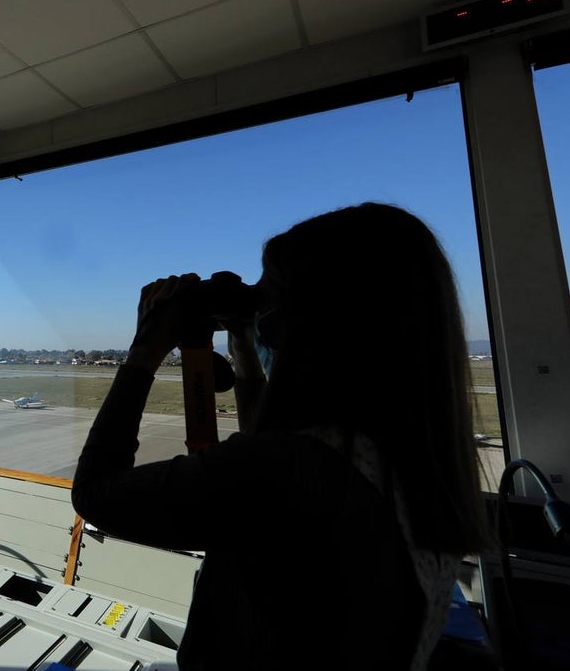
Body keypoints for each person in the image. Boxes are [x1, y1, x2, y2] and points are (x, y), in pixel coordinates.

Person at [71, 202, 491, 671]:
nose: (258, 308)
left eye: (267, 297)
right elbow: (267, 453)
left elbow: (96, 493)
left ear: (314, 320)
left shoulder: (293, 469)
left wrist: (145, 348)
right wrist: (244, 343)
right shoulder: (406, 458)